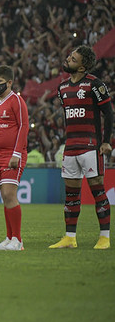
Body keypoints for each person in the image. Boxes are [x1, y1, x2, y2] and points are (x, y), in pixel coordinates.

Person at [50, 46, 112, 250]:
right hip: (70, 147)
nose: (67, 59)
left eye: (73, 58)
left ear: (82, 66)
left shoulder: (95, 84)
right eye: (69, 56)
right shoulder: (62, 88)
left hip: (90, 146)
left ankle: (104, 237)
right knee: (71, 194)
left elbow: (109, 114)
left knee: (97, 191)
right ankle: (70, 238)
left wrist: (105, 141)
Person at [0, 65, 29, 251]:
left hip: (12, 155)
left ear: (9, 82)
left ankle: (17, 241)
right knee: (4, 196)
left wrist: (16, 154)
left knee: (10, 195)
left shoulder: (16, 101)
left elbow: (23, 126)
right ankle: (9, 237)